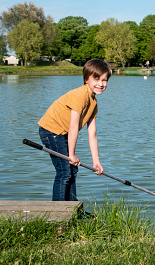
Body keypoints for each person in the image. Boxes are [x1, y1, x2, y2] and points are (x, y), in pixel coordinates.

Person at [38, 59, 112, 201]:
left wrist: (96, 161)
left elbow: (92, 134)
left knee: (72, 170)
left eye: (105, 80)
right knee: (64, 172)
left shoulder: (93, 103)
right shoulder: (80, 95)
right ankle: (59, 213)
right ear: (86, 79)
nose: (101, 84)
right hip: (51, 131)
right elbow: (73, 126)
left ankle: (73, 208)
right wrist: (71, 154)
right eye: (96, 79)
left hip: (61, 133)